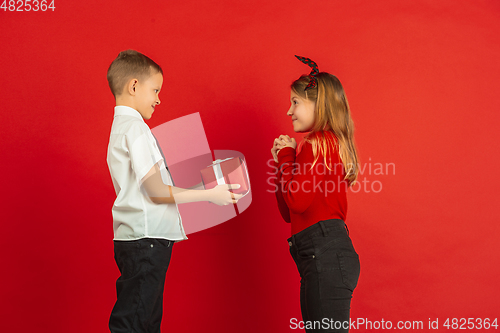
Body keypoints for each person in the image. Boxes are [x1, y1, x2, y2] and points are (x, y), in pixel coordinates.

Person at [106, 49, 242, 333]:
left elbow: (153, 187)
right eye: (155, 89)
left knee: (144, 321)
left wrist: (206, 184)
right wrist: (210, 195)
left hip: (137, 238)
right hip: (148, 240)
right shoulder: (137, 129)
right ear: (134, 86)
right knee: (135, 323)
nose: (158, 98)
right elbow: (157, 191)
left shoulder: (121, 128)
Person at [271, 55, 361, 333]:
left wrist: (287, 156)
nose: (289, 111)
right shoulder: (322, 146)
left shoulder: (317, 143)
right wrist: (282, 165)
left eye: (296, 102)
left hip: (325, 255)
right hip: (318, 255)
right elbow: (289, 210)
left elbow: (296, 201)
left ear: (318, 105)